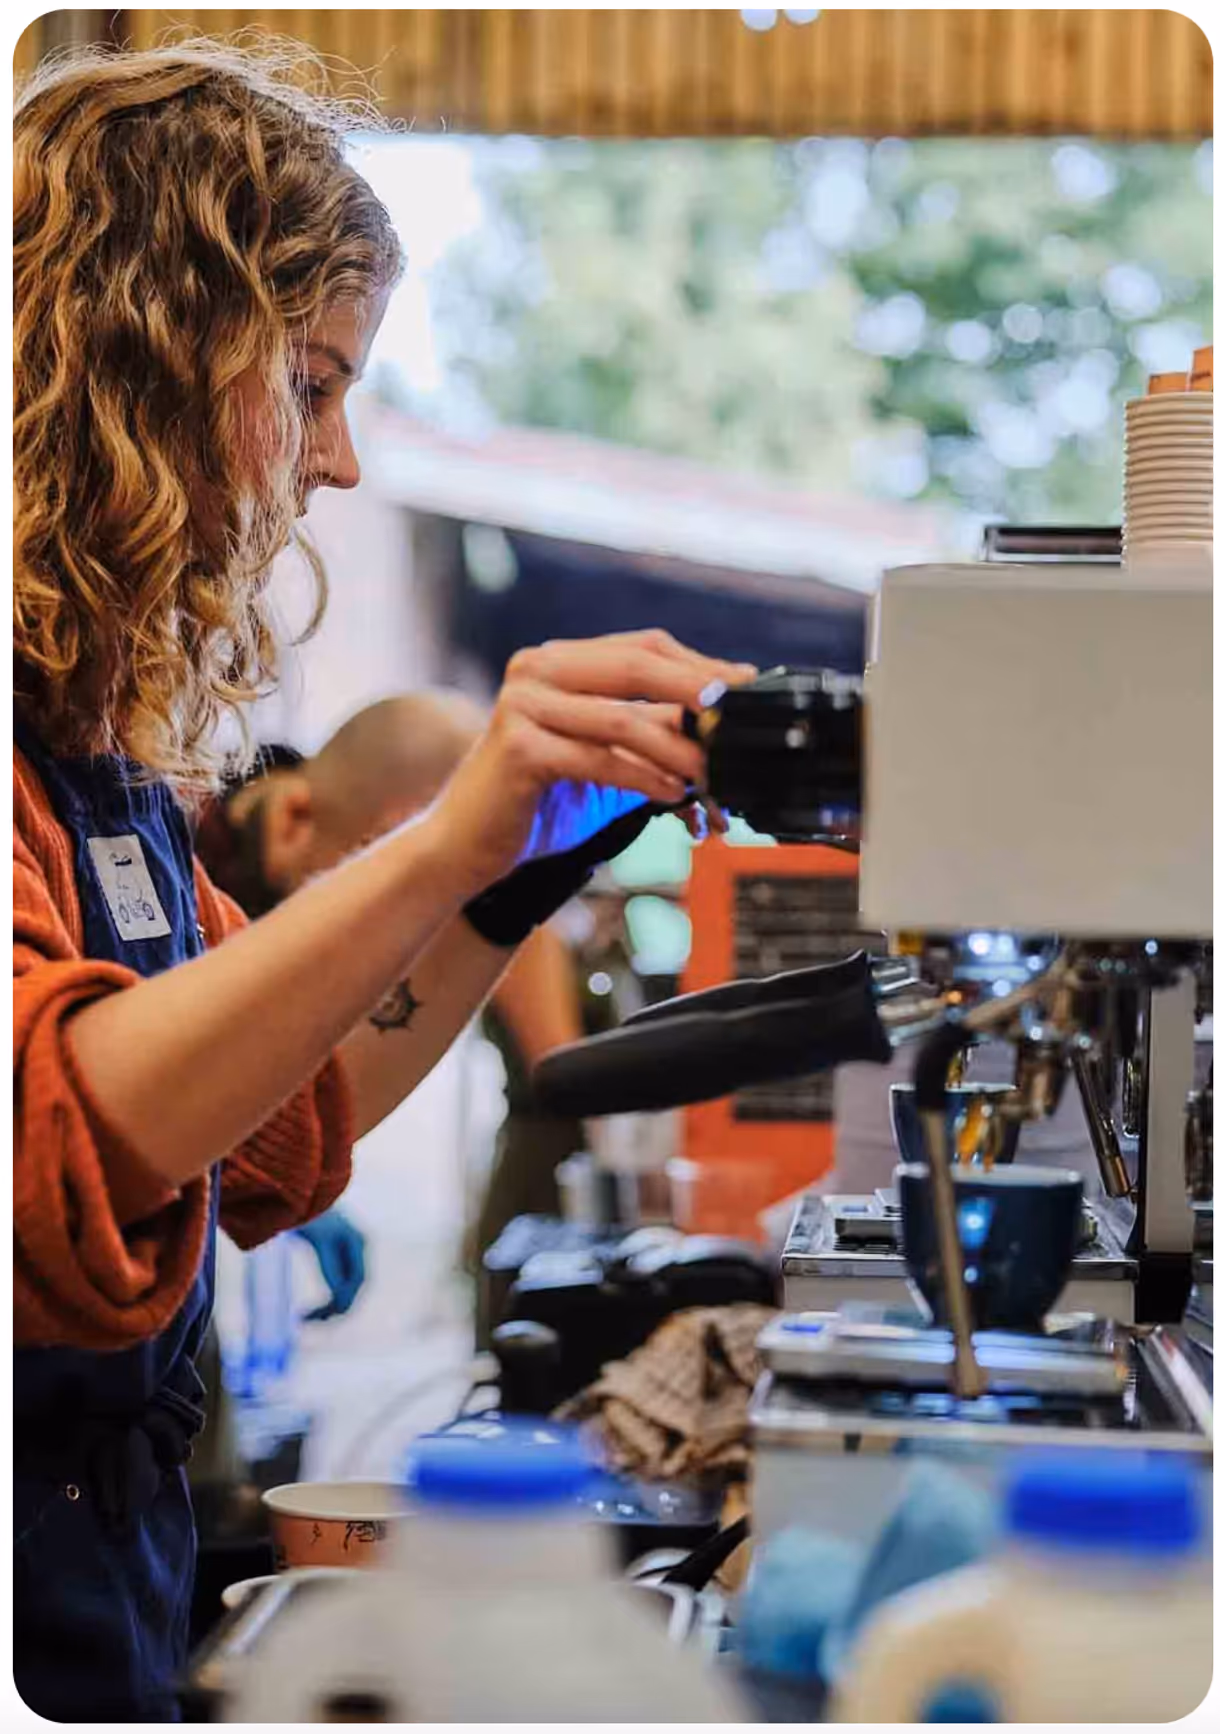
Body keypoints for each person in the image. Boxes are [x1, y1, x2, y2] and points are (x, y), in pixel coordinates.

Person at [13, 41, 752, 1722]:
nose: (337, 462)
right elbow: (51, 1127)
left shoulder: (98, 756)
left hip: (97, 1591)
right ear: (154, 346)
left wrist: (507, 888)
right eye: (318, 382)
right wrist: (448, 830)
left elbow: (279, 1130)